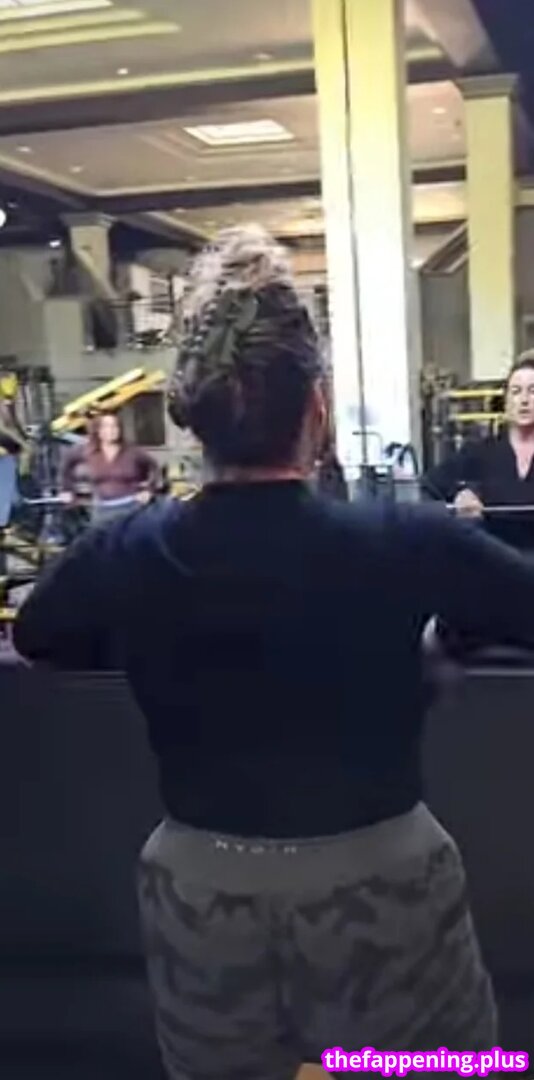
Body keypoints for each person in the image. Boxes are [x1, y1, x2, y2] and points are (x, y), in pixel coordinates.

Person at [13, 224, 534, 1077]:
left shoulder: (127, 548)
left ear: (193, 418)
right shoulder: (406, 540)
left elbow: (39, 635)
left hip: (199, 889)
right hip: (384, 887)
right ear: (317, 409)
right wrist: (453, 634)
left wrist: (152, 626)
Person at [422, 355, 534, 549]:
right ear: (506, 402)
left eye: (533, 391)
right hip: (494, 556)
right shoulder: (480, 452)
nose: (524, 400)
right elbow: (432, 482)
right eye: (516, 392)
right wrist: (459, 495)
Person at [60, 410, 158, 525]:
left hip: (132, 508)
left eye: (114, 426)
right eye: (106, 426)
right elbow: (67, 466)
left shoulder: (133, 452)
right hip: (102, 510)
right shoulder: (88, 451)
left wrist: (149, 490)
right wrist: (67, 490)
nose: (111, 430)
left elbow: (154, 468)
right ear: (98, 430)